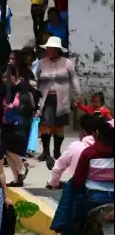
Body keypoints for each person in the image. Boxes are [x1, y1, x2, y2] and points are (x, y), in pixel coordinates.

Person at [36, 36, 81, 169]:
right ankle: (45, 151)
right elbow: (36, 79)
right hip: (45, 99)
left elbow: (74, 79)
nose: (49, 50)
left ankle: (56, 150)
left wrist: (78, 95)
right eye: (48, 48)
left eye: (51, 48)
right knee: (45, 125)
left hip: (62, 99)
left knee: (58, 126)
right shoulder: (42, 63)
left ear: (57, 50)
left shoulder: (67, 63)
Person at [0, 52, 35, 187]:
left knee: (11, 150)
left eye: (7, 76)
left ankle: (22, 167)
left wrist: (10, 105)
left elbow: (19, 103)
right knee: (6, 152)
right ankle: (16, 178)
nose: (5, 79)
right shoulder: (5, 89)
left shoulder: (21, 88)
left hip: (17, 124)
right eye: (3, 77)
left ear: (14, 76)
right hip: (6, 123)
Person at [48, 114, 99, 188]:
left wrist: (53, 183)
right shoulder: (107, 148)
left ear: (83, 131)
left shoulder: (75, 146)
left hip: (79, 188)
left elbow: (58, 167)